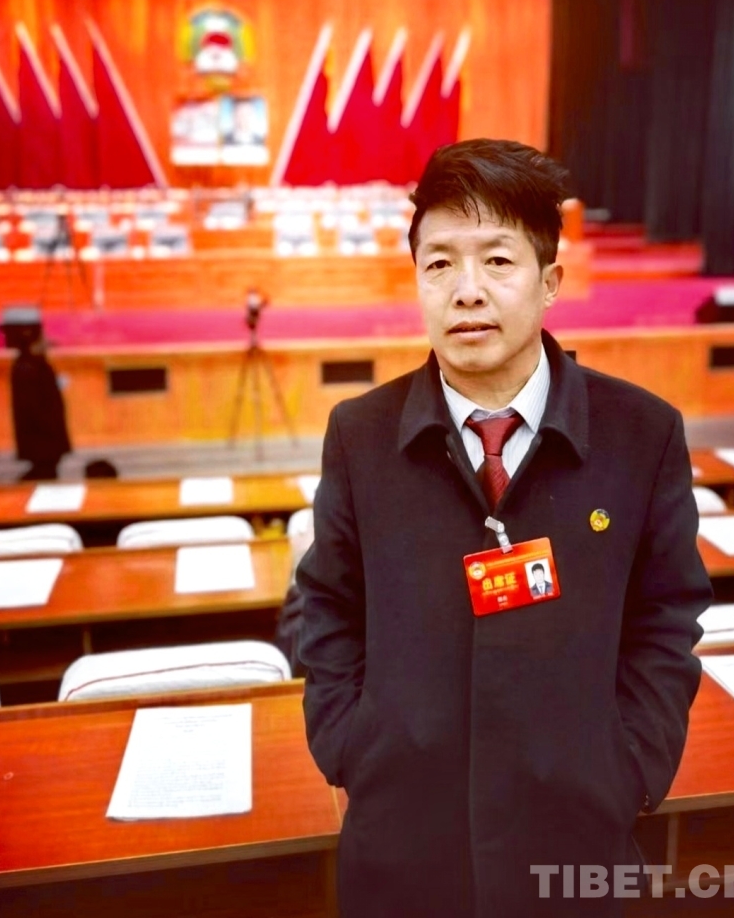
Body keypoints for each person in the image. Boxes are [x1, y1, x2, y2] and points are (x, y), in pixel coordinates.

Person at [296, 138, 712, 917]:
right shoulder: (360, 433)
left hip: (576, 839)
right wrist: (350, 745)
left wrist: (631, 762)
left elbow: (666, 615)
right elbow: (324, 605)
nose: (467, 291)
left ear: (550, 280)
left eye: (497, 260)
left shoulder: (642, 433)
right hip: (402, 844)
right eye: (440, 263)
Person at [7, 312, 72, 482]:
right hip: (42, 437)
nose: (46, 342)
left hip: (46, 436)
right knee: (44, 472)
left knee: (48, 470)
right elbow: (32, 407)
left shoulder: (35, 364)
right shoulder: (27, 368)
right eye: (42, 339)